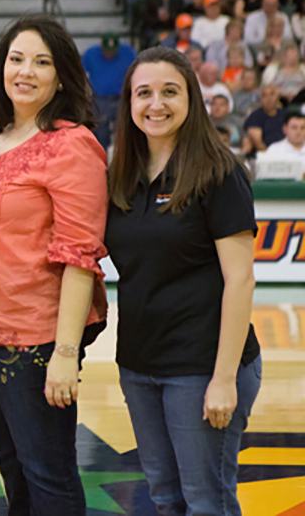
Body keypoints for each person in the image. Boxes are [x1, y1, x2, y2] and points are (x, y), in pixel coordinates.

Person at [0, 12, 107, 515]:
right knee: (13, 468)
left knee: (48, 476)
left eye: (41, 62)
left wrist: (65, 352)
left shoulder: (72, 145)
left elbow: (80, 257)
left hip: (33, 339)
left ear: (61, 76)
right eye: (16, 59)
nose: (25, 72)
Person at [105, 45, 261, 516]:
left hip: (201, 368)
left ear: (191, 98)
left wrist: (224, 379)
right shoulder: (122, 176)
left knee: (206, 503)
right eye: (144, 93)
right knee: (165, 499)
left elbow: (241, 281)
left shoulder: (219, 172)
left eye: (170, 92)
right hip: (138, 365)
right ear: (128, 103)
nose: (156, 104)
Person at [83, 33, 137, 150]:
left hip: (121, 98)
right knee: (100, 134)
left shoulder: (128, 52)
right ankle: (101, 162)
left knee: (124, 132)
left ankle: (123, 161)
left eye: (112, 51)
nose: (110, 54)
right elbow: (80, 72)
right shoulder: (91, 53)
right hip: (100, 99)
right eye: (107, 51)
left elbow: (137, 71)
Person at [244, 83, 286, 152]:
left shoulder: (285, 114)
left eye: (272, 94)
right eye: (264, 96)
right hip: (265, 155)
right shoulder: (255, 117)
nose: (269, 99)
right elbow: (258, 143)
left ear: (277, 97)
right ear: (260, 99)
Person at [261, 109, 305, 174]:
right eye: (294, 127)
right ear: (285, 129)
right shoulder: (274, 150)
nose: (298, 132)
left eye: (302, 128)